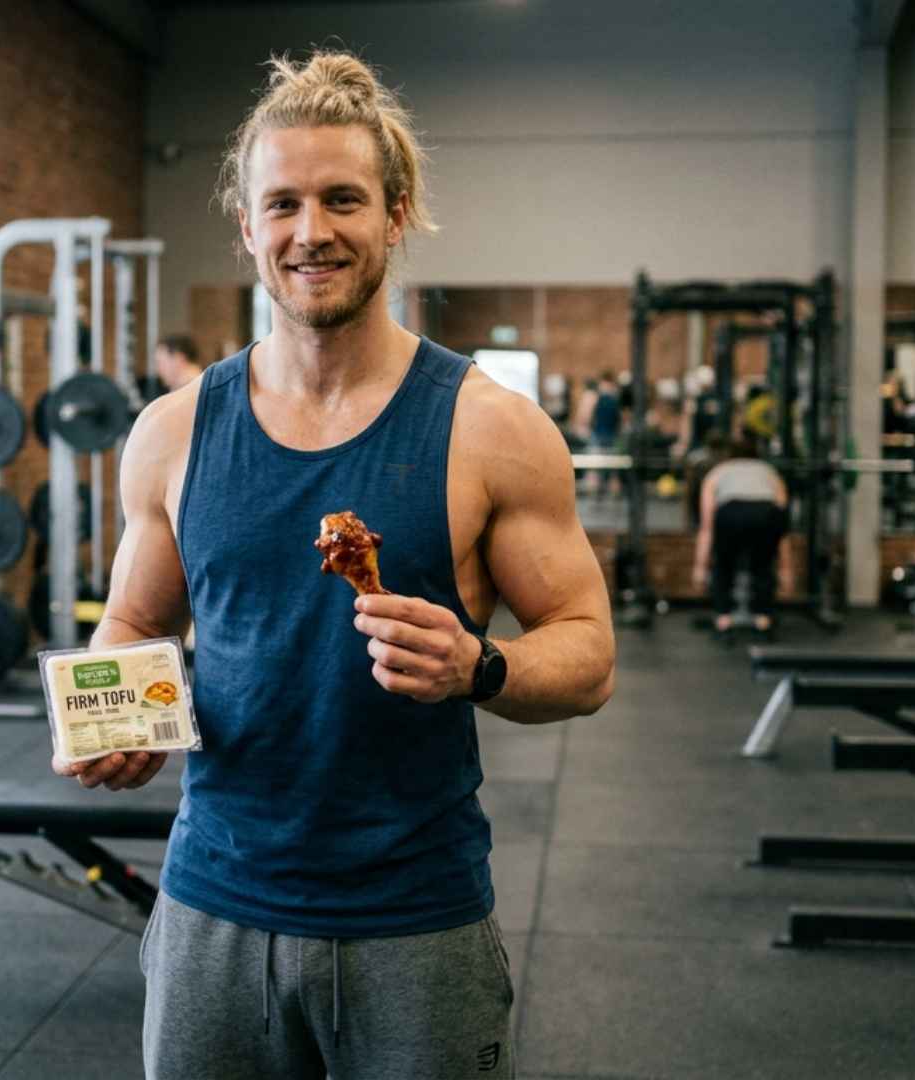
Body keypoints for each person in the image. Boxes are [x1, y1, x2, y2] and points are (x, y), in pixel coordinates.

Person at [52, 49, 615, 1080]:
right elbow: (134, 624)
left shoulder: (495, 431)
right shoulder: (171, 433)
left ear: (397, 215)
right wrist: (116, 725)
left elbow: (587, 654)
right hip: (213, 905)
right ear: (248, 227)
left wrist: (480, 667)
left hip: (418, 918)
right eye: (283, 205)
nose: (311, 232)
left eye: (343, 200)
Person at [691, 432, 789, 640]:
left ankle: (723, 621)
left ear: (728, 455)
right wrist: (785, 568)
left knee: (724, 566)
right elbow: (782, 524)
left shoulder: (717, 473)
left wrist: (700, 566)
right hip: (766, 513)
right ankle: (763, 622)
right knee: (763, 566)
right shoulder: (769, 472)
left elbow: (707, 526)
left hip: (731, 512)